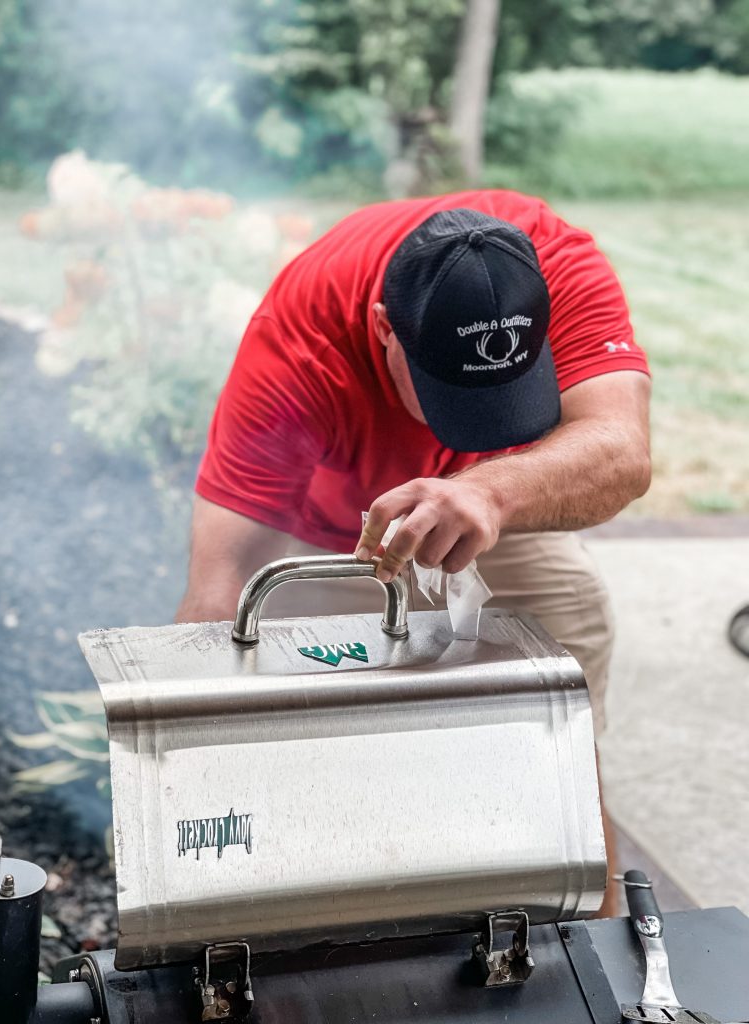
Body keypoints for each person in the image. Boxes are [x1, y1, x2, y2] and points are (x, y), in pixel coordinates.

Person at [176, 191, 652, 914]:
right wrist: (186, 785)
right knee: (335, 762)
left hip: (505, 507)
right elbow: (221, 588)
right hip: (347, 538)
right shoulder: (302, 340)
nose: (480, 426)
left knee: (560, 734)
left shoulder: (557, 264)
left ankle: (598, 958)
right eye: (450, 396)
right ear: (383, 331)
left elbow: (621, 452)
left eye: (504, 395)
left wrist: (489, 491)